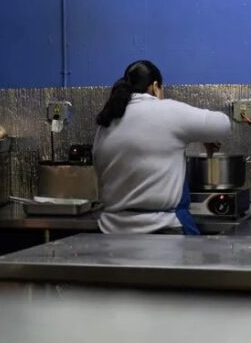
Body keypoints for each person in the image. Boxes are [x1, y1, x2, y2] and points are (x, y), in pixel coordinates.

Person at [93, 60, 232, 235]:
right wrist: (204, 136)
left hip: (111, 230)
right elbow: (223, 124)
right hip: (162, 229)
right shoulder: (167, 110)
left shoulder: (106, 122)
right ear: (155, 86)